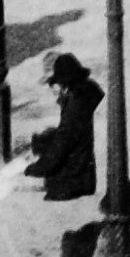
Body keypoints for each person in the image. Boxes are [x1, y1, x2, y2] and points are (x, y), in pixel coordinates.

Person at [25, 51, 102, 199]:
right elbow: (67, 134)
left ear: (62, 82)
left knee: (16, 183)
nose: (50, 88)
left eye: (51, 83)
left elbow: (63, 142)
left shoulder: (75, 105)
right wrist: (39, 142)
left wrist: (33, 169)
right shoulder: (85, 92)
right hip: (82, 170)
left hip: (77, 179)